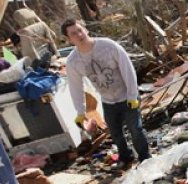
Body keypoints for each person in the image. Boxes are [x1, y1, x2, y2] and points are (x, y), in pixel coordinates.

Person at [62, 19, 151, 168]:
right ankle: (125, 158)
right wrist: (80, 112)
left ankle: (145, 158)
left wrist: (132, 95)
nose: (79, 34)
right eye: (73, 33)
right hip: (108, 100)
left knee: (136, 129)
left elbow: (127, 69)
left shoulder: (108, 46)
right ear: (68, 39)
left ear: (86, 30)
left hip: (127, 97)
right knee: (115, 133)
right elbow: (75, 87)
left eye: (79, 30)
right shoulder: (73, 61)